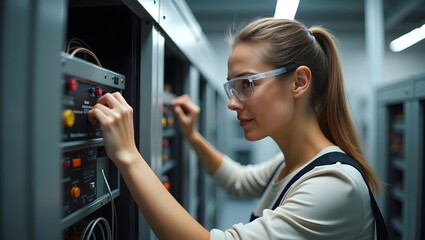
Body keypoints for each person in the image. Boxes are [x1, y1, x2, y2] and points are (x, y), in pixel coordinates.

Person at [88, 17, 382, 240]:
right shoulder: (293, 162)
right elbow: (237, 180)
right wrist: (191, 135)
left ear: (299, 82)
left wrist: (128, 155)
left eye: (247, 84)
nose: (232, 104)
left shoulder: (334, 186)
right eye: (233, 87)